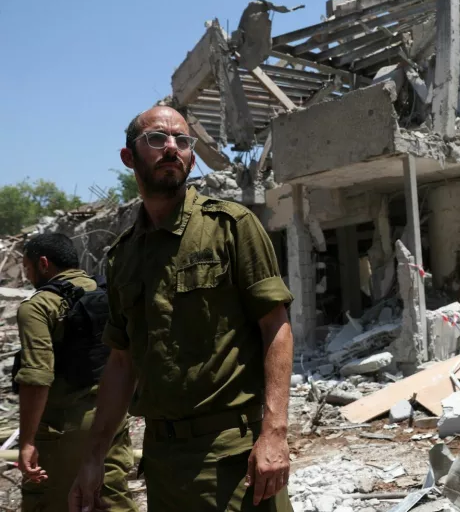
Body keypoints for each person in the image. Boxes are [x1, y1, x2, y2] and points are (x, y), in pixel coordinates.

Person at [69, 105, 295, 511]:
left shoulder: (230, 226)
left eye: (182, 140)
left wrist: (275, 433)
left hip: (233, 458)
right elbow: (121, 362)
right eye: (157, 138)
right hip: (161, 463)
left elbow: (275, 326)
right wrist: (93, 456)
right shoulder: (122, 257)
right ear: (128, 157)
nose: (172, 148)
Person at [15, 233, 135, 512]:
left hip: (64, 428)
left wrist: (27, 441)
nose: (27, 274)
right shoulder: (109, 294)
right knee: (110, 498)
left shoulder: (39, 306)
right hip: (113, 419)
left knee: (49, 502)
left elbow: (36, 378)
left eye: (27, 267)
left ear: (43, 263)